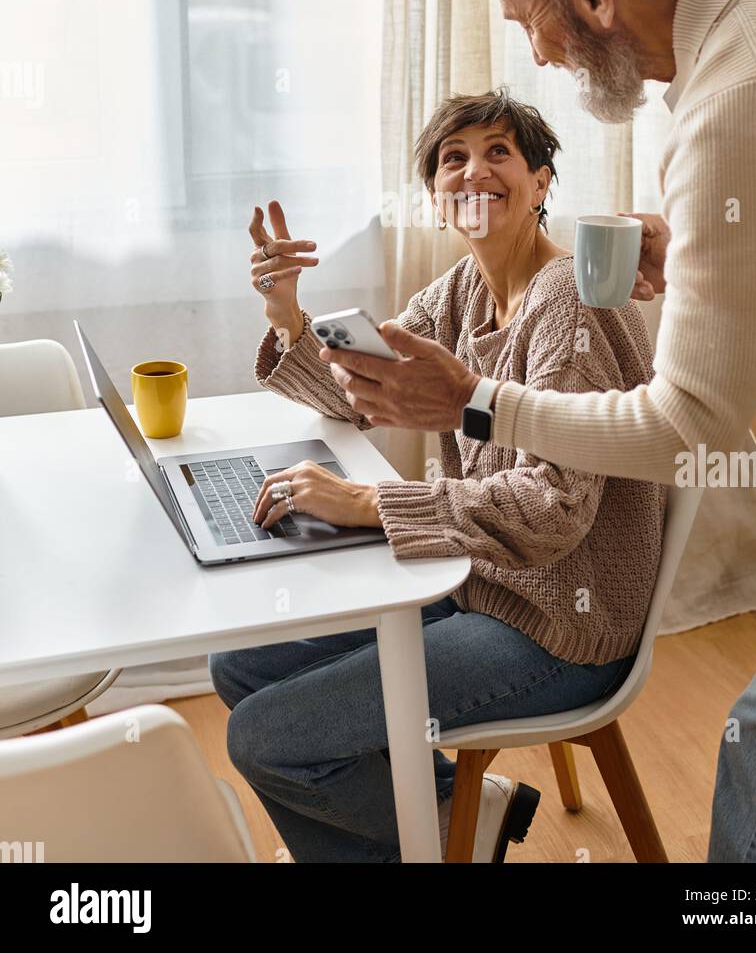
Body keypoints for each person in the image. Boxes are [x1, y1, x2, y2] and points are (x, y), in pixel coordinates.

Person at [317, 0, 756, 864]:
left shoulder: (736, 102)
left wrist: (479, 402)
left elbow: (691, 425)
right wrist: (695, 246)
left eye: (534, 24)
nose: (540, 55)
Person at [209, 87, 666, 863]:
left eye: (499, 154)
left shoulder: (570, 301)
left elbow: (553, 508)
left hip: (556, 627)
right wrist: (287, 313)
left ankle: (441, 835)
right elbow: (358, 399)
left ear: (542, 183)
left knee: (267, 739)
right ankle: (457, 811)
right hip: (471, 584)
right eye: (452, 159)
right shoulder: (456, 293)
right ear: (433, 194)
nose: (473, 172)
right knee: (241, 667)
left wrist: (366, 503)